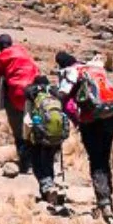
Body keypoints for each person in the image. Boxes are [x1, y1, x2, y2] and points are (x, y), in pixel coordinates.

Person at [57, 51, 113, 223]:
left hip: (90, 121)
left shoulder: (72, 72)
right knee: (105, 157)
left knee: (96, 161)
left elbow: (62, 95)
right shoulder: (95, 69)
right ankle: (109, 198)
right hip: (110, 117)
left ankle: (104, 204)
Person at [0, 35, 42, 175]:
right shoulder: (23, 52)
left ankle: (26, 164)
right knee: (31, 127)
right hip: (32, 94)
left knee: (19, 131)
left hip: (15, 95)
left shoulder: (0, 59)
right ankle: (38, 162)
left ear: (0, 46)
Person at [23, 74, 69, 205]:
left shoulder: (32, 96)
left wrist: (26, 138)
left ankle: (47, 188)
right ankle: (50, 190)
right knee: (48, 162)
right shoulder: (55, 95)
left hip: (38, 136)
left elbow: (27, 119)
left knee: (37, 163)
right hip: (56, 135)